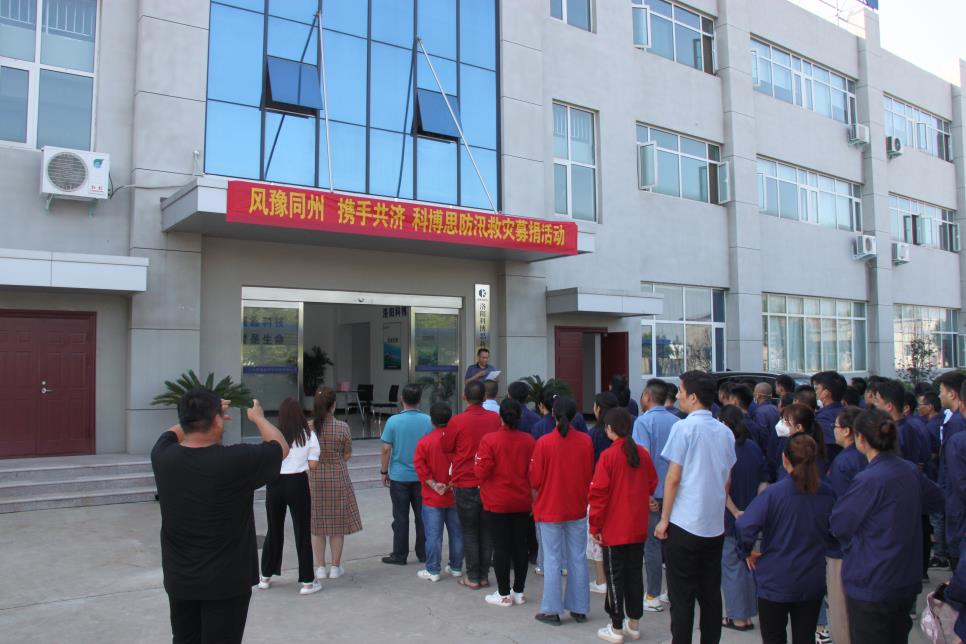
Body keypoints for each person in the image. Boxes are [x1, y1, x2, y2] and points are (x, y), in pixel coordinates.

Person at [151, 391, 286, 644]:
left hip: (180, 578)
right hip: (226, 581)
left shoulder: (162, 456)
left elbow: (170, 434)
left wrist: (198, 413)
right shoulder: (236, 461)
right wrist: (258, 418)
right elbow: (280, 447)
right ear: (217, 421)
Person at [830, 408, 944, 643]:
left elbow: (840, 524)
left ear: (860, 438)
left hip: (872, 578)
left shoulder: (868, 479)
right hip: (904, 576)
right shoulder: (908, 470)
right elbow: (937, 498)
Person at [655, 370, 736, 644]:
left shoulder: (683, 428)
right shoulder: (725, 432)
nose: (677, 396)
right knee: (711, 593)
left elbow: (673, 477)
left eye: (680, 390)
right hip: (713, 526)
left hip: (684, 523)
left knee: (682, 596)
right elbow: (727, 480)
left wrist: (664, 519)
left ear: (693, 397)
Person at [736, 434, 836, 644]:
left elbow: (745, 525)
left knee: (773, 637)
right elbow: (835, 530)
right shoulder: (827, 493)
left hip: (776, 579)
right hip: (811, 577)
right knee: (805, 637)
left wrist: (746, 551)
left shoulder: (774, 494)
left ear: (785, 459)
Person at [588, 408, 658, 644]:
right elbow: (652, 481)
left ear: (609, 429)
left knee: (615, 577)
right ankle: (633, 624)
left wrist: (595, 526)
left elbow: (598, 494)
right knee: (634, 574)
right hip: (637, 526)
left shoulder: (609, 456)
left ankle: (617, 627)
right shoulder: (641, 454)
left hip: (614, 528)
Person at [530, 395, 595, 625]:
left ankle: (551, 610)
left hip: (550, 507)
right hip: (576, 506)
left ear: (552, 414)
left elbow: (535, 480)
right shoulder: (585, 441)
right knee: (578, 557)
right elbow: (589, 473)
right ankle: (579, 607)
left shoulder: (544, 443)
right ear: (575, 415)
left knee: (552, 559)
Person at [475, 399, 537, 607]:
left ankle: (503, 593)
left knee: (500, 547)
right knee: (520, 546)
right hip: (522, 500)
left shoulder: (489, 440)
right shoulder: (528, 440)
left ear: (500, 416)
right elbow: (534, 473)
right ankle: (518, 591)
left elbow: (481, 472)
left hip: (497, 501)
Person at [441, 380, 502, 588]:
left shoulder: (457, 421)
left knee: (469, 530)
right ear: (484, 397)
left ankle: (473, 576)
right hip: (488, 482)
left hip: (465, 481)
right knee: (486, 530)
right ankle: (483, 575)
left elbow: (446, 446)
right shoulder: (494, 418)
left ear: (464, 397)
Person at [258, 398, 321, 594]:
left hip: (275, 483)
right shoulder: (308, 434)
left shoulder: (274, 434)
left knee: (274, 529)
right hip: (298, 482)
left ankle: (265, 576)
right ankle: (307, 581)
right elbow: (313, 465)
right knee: (302, 531)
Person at [717, 405, 767, 633]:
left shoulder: (724, 450)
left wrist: (736, 511)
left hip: (730, 518)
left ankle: (737, 617)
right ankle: (747, 614)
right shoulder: (753, 448)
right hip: (753, 516)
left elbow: (722, 487)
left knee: (731, 567)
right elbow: (764, 481)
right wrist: (755, 508)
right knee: (749, 566)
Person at [631, 378, 678, 611]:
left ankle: (652, 595)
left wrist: (646, 492)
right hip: (675, 492)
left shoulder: (643, 422)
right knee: (672, 544)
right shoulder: (677, 422)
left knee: (652, 545)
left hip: (654, 492)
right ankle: (672, 592)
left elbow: (643, 458)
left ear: (647, 397)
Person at [309, 387, 362, 579]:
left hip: (314, 477)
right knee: (337, 524)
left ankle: (320, 567)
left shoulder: (308, 427)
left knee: (317, 524)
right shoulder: (343, 427)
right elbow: (347, 452)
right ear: (333, 405)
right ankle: (335, 567)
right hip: (338, 476)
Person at [825, 406, 865, 644]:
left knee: (841, 610)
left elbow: (840, 507)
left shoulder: (843, 463)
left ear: (848, 431)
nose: (834, 431)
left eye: (836, 427)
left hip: (843, 546)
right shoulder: (867, 456)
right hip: (866, 544)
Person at [380, 383, 432, 566]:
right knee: (422, 517)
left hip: (399, 477)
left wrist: (384, 471)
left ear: (402, 399)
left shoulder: (393, 421)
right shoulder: (428, 421)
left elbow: (386, 449)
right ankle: (424, 553)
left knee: (400, 517)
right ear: (420, 400)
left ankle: (400, 554)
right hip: (422, 477)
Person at [413, 402, 462, 583]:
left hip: (432, 496)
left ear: (432, 420)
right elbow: (461, 464)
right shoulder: (457, 440)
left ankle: (433, 569)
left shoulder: (425, 441)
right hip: (454, 493)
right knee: (457, 533)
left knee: (433, 535)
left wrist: (434, 485)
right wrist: (450, 484)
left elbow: (420, 466)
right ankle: (456, 566)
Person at [587, 392, 620, 594]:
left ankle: (601, 580)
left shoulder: (594, 435)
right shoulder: (624, 434)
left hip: (599, 489)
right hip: (620, 490)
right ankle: (614, 576)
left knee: (597, 535)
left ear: (598, 409)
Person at [920, 390, 949, 569]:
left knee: (937, 518)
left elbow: (935, 452)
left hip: (935, 474)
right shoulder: (943, 422)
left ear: (930, 407)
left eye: (921, 405)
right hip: (940, 475)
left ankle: (940, 555)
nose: (919, 408)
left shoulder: (930, 426)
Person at [773, 403, 828, 481]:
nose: (781, 424)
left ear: (798, 427)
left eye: (786, 421)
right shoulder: (789, 442)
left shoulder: (808, 452)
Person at [813, 371, 847, 463]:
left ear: (825, 393)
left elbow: (828, 450)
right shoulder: (847, 412)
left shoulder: (823, 418)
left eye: (817, 388)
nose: (815, 392)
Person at [752, 382, 780, 458]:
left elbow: (762, 435)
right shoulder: (775, 408)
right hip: (776, 450)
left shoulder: (759, 412)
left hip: (767, 454)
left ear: (758, 395)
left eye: (754, 393)